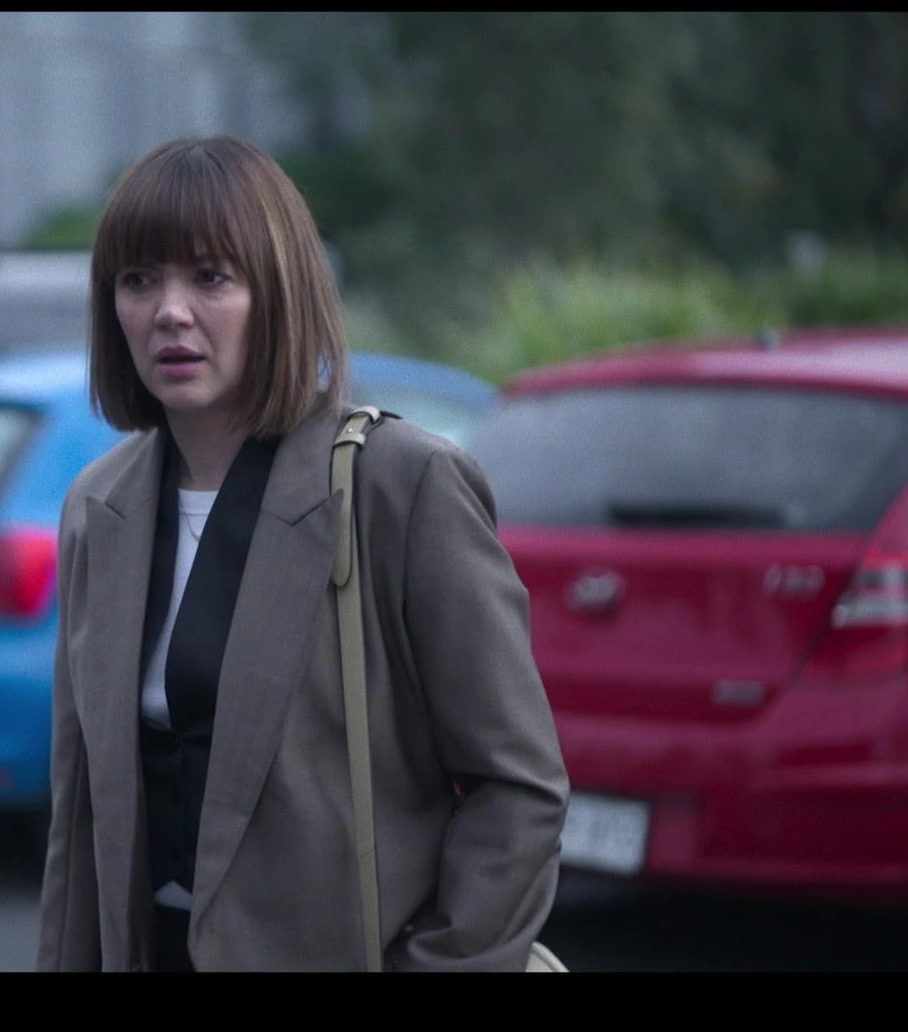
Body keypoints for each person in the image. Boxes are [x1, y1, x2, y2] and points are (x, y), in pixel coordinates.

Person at [36, 134, 570, 972]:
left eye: (210, 277)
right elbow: (80, 813)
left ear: (278, 292)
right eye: (139, 281)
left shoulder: (401, 485)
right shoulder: (98, 506)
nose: (170, 311)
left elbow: (518, 786)